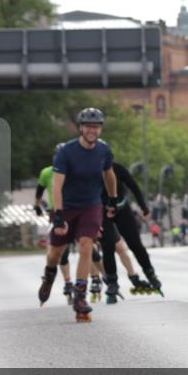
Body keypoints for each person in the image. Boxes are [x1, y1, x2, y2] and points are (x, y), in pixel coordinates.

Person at [37, 107, 117, 322]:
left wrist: (112, 199)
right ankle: (48, 276)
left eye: (96, 127)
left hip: (91, 206)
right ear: (81, 128)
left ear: (100, 129)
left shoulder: (104, 151)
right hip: (67, 206)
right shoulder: (66, 152)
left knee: (86, 245)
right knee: (55, 253)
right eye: (89, 126)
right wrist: (59, 214)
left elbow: (109, 174)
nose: (93, 130)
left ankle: (80, 295)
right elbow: (57, 185)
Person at [98, 161, 161, 300]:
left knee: (135, 244)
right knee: (107, 245)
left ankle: (150, 273)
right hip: (102, 211)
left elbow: (133, 186)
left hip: (121, 209)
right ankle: (112, 282)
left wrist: (144, 207)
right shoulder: (90, 171)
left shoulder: (117, 168)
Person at [35, 151, 74, 302]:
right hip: (55, 212)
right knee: (60, 251)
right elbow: (39, 192)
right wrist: (37, 206)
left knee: (89, 246)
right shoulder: (46, 172)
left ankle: (101, 278)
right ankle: (65, 281)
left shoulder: (73, 170)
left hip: (73, 210)